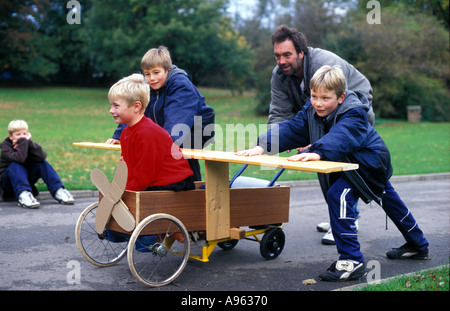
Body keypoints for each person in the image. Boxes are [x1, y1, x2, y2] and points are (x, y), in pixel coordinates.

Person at [237, 65, 429, 282]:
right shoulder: (312, 110)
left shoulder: (354, 112)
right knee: (389, 200)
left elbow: (342, 135)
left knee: (340, 195)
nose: (318, 102)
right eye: (314, 96)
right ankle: (418, 244)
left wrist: (317, 151)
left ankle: (351, 261)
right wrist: (263, 145)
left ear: (341, 97)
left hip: (370, 163)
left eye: (325, 98)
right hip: (348, 162)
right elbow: (293, 128)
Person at [269, 25, 374, 244]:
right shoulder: (279, 75)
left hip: (350, 110)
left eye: (287, 55)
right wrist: (279, 139)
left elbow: (334, 102)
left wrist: (312, 137)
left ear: (301, 52)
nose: (281, 61)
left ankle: (348, 218)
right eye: (277, 56)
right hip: (319, 114)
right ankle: (338, 216)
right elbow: (279, 111)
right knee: (323, 167)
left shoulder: (324, 64)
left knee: (341, 164)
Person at [106, 46, 215, 181]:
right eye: (147, 73)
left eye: (156, 72)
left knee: (176, 156)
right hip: (170, 129)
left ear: (168, 70)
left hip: (197, 131)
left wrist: (164, 140)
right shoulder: (149, 86)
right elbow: (136, 110)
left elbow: (179, 120)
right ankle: (158, 188)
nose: (151, 78)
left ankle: (190, 190)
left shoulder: (181, 86)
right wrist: (118, 135)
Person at [108, 73, 195, 192]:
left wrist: (128, 192)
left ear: (136, 106)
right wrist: (120, 188)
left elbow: (145, 171)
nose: (111, 110)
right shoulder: (126, 133)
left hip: (173, 182)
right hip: (153, 180)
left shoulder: (146, 133)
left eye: (116, 106)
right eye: (111, 105)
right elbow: (128, 168)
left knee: (140, 196)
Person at [0, 120, 74, 208]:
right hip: (8, 186)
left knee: (41, 163)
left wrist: (29, 143)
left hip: (24, 181)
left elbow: (42, 156)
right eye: (18, 134)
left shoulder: (26, 143)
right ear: (11, 136)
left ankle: (58, 190)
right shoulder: (6, 148)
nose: (22, 137)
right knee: (15, 165)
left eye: (24, 134)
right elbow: (20, 158)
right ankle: (23, 196)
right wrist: (24, 142)